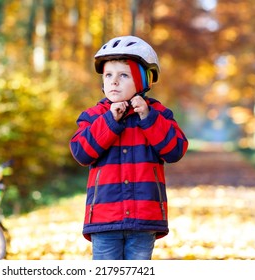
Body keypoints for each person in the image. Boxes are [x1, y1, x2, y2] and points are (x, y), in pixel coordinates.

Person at [69, 35, 188, 260]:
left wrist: (148, 117)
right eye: (108, 75)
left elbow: (175, 150)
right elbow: (81, 152)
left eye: (124, 75)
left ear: (143, 81)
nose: (114, 81)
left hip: (145, 218)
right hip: (104, 218)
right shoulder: (93, 116)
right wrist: (110, 121)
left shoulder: (158, 114)